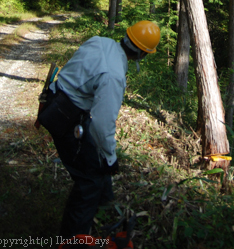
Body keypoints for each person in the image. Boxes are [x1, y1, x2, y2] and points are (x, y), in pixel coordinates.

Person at [38, 20, 160, 239]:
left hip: (55, 100)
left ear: (126, 36)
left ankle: (105, 213)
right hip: (65, 117)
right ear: (143, 54)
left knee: (97, 164)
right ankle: (73, 240)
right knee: (90, 180)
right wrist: (111, 157)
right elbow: (102, 125)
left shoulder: (99, 41)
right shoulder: (113, 76)